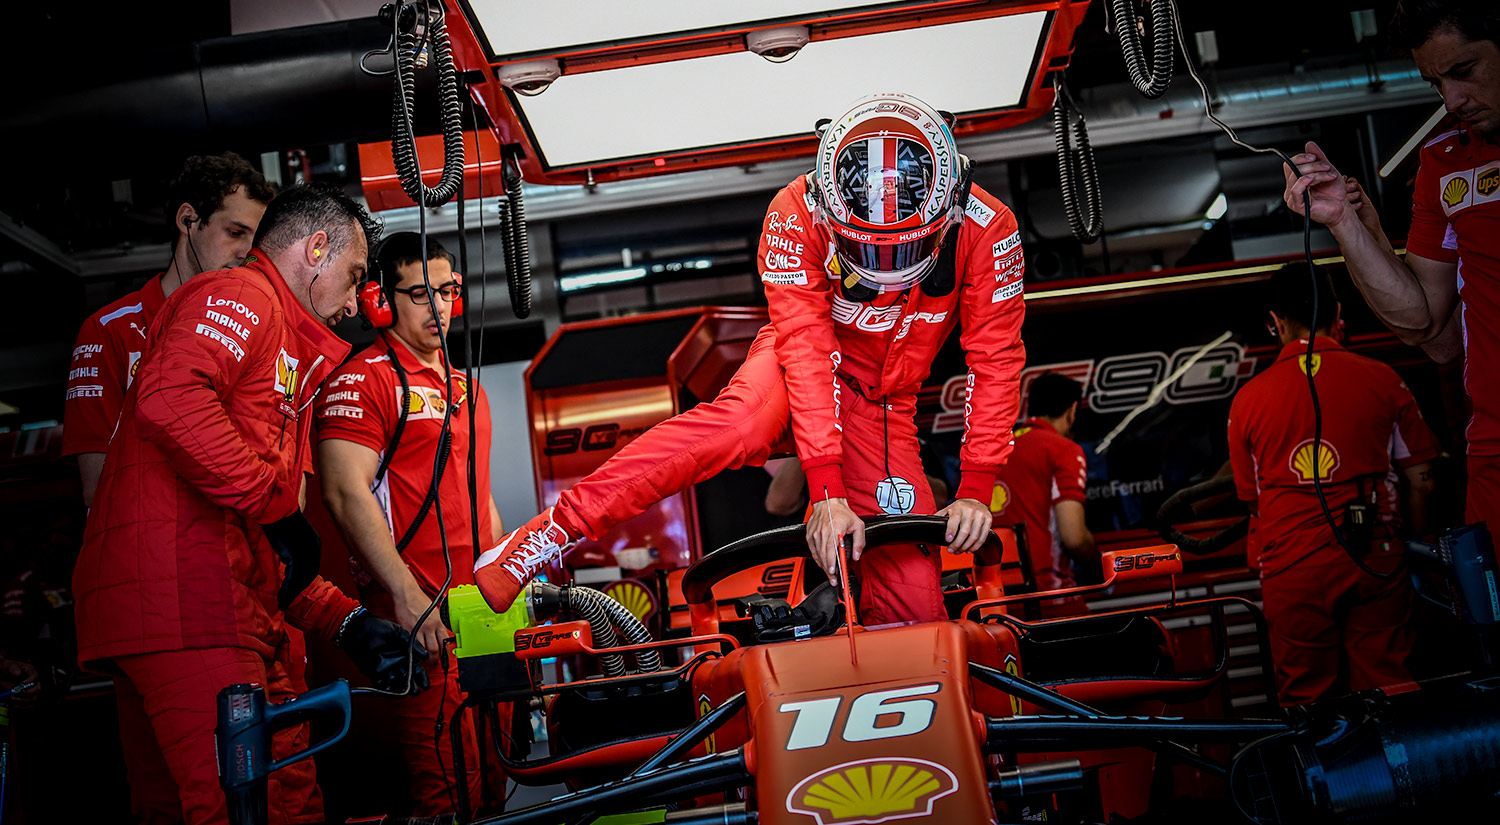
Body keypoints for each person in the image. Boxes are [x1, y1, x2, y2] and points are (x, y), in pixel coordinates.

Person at [476, 92, 1027, 624]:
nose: (884, 267)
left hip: (883, 409)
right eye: (866, 250)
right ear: (833, 213)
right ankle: (547, 534)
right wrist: (827, 492)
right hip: (798, 366)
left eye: (902, 249)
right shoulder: (794, 212)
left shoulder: (989, 227)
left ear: (950, 204)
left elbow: (995, 361)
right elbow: (806, 351)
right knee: (734, 427)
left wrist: (976, 490)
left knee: (913, 599)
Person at [71, 183, 427, 825]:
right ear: (315, 248)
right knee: (253, 810)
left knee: (231, 807)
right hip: (188, 611)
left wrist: (348, 624)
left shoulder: (283, 347)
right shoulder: (241, 295)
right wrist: (278, 507)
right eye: (352, 277)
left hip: (185, 609)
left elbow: (258, 546)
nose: (353, 304)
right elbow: (170, 399)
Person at [1282, 0, 1498, 536]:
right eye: (1436, 83)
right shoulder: (1444, 163)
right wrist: (1346, 225)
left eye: (1464, 71)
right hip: (1492, 447)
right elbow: (1430, 328)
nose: (1452, 99)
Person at [316, 232, 506, 815]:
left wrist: (510, 580)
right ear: (379, 300)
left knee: (501, 773)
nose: (440, 306)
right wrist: (405, 593)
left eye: (448, 291)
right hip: (418, 618)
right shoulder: (363, 378)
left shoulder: (465, 386)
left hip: (481, 612)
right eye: (420, 294)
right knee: (447, 788)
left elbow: (482, 497)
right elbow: (345, 492)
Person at [1227, 263, 1439, 705]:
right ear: (1338, 311)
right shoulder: (1385, 379)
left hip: (1293, 570)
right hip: (1376, 559)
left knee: (1308, 704)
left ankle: (1325, 774)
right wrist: (1414, 545)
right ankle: (1398, 772)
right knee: (1391, 689)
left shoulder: (1247, 401)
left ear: (1276, 322)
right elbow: (1423, 482)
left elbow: (1254, 504)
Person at [63, 152, 275, 507]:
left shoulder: (255, 332)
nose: (246, 252)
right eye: (235, 232)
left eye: (255, 241)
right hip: (145, 550)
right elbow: (96, 485)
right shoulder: (109, 331)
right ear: (188, 219)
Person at [990, 372, 1096, 617]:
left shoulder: (998, 449)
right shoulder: (1062, 449)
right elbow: (1074, 537)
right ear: (1071, 412)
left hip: (996, 600)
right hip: (1050, 597)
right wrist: (1097, 565)